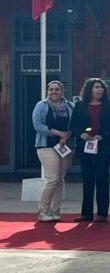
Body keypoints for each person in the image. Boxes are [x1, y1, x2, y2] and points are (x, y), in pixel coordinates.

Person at [69, 78, 110, 223]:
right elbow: (74, 125)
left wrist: (103, 136)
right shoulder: (79, 106)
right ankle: (86, 213)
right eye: (96, 87)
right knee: (87, 179)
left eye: (101, 87)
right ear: (89, 89)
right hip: (85, 146)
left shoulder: (109, 106)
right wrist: (81, 134)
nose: (100, 90)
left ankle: (102, 213)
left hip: (103, 146)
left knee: (102, 178)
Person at [32, 80, 75, 222]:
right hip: (46, 146)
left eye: (57, 89)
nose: (54, 92)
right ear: (47, 92)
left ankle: (55, 211)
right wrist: (56, 133)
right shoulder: (41, 106)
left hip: (65, 147)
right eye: (51, 89)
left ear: (62, 91)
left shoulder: (70, 106)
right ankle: (43, 211)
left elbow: (74, 125)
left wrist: (67, 135)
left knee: (60, 180)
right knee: (53, 179)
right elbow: (37, 125)